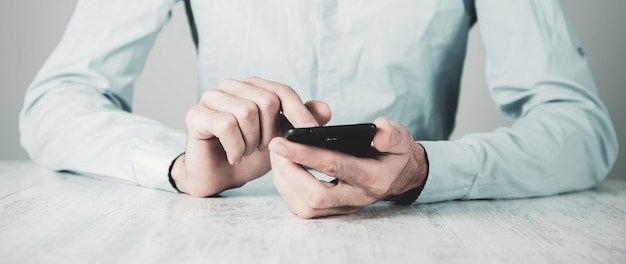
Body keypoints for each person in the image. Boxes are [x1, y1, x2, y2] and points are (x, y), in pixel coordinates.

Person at [20, 0, 618, 219]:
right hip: (227, 240)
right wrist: (181, 167)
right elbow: (55, 102)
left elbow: (580, 126)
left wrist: (425, 171)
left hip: (420, 238)